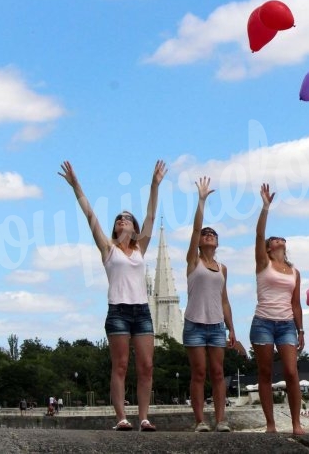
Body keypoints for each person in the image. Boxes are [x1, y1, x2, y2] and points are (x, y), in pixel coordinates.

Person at [59, 159, 166, 432]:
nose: (122, 220)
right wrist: (76, 185)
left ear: (134, 227)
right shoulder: (108, 248)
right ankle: (121, 417)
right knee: (120, 365)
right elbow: (90, 216)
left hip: (142, 311)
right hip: (118, 311)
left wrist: (154, 185)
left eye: (127, 218)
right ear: (116, 228)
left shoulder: (141, 247)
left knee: (147, 366)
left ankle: (143, 417)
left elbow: (152, 215)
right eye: (119, 219)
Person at [251, 183, 305, 434]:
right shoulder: (264, 263)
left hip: (286, 324)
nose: (277, 239)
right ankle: (270, 423)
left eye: (280, 238)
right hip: (263, 321)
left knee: (292, 373)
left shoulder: (295, 272)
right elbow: (259, 235)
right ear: (269, 247)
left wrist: (301, 330)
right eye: (273, 239)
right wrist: (265, 208)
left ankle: (296, 422)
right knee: (265, 373)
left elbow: (296, 303)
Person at [184, 176, 237, 433]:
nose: (208, 236)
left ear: (217, 243)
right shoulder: (193, 261)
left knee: (218, 373)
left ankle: (221, 419)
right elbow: (195, 230)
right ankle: (199, 421)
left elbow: (224, 300)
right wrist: (202, 201)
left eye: (212, 234)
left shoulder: (222, 268)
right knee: (199, 373)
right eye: (206, 234)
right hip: (194, 323)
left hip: (217, 325)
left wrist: (232, 330)